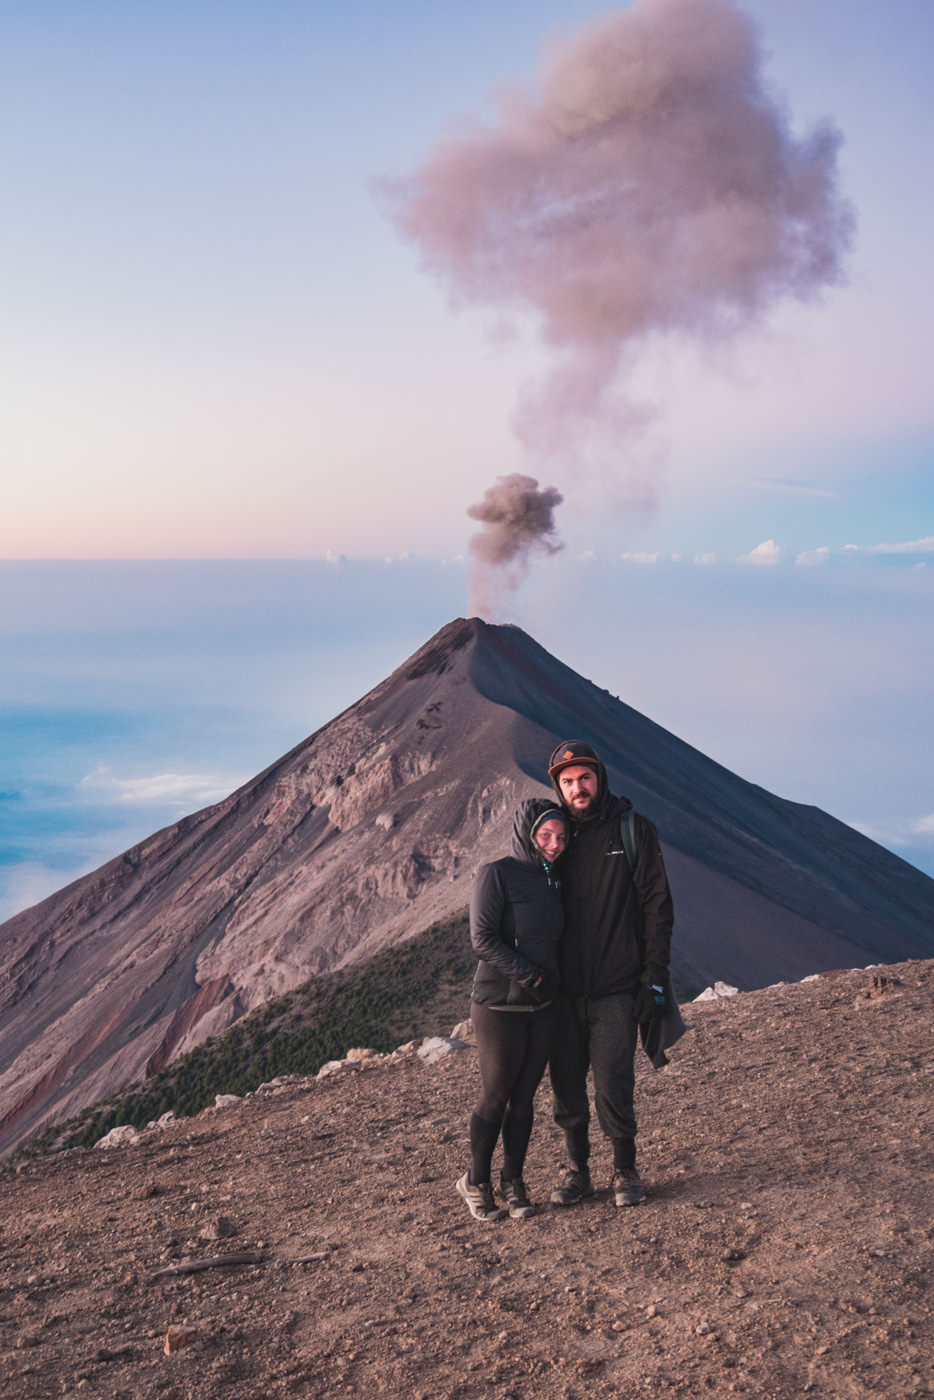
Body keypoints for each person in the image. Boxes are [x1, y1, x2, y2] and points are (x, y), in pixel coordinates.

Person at [546, 740, 675, 1209]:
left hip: (615, 989)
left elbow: (657, 908)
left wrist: (653, 978)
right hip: (561, 994)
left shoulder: (633, 830)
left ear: (599, 777)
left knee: (613, 1083)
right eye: (567, 781)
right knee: (566, 1090)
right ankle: (577, 1171)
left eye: (584, 777)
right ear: (557, 788)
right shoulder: (554, 837)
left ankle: (626, 1169)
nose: (578, 788)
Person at [456, 797, 569, 1222]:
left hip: (541, 1008)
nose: (554, 844)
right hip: (499, 1006)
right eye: (545, 836)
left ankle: (513, 1182)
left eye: (560, 837)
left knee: (524, 1100)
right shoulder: (496, 874)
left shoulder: (555, 880)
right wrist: (534, 976)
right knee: (496, 1094)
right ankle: (475, 1180)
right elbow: (482, 938)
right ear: (527, 834)